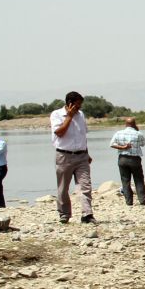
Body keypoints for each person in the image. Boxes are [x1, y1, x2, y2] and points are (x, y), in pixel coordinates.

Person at [51, 91, 95, 224]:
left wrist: (87, 153)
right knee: (63, 187)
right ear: (69, 104)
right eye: (77, 105)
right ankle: (64, 213)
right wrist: (69, 117)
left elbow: (83, 136)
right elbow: (59, 132)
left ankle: (87, 214)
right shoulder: (57, 114)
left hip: (81, 156)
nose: (79, 108)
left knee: (85, 185)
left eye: (80, 106)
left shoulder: (81, 115)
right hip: (64, 156)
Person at [109, 117, 145, 207]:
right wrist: (137, 130)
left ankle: (129, 201)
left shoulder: (118, 133)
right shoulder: (138, 133)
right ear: (134, 124)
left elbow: (112, 144)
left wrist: (123, 147)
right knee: (138, 179)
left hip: (122, 159)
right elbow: (143, 144)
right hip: (135, 159)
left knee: (125, 180)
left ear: (126, 124)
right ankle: (142, 200)